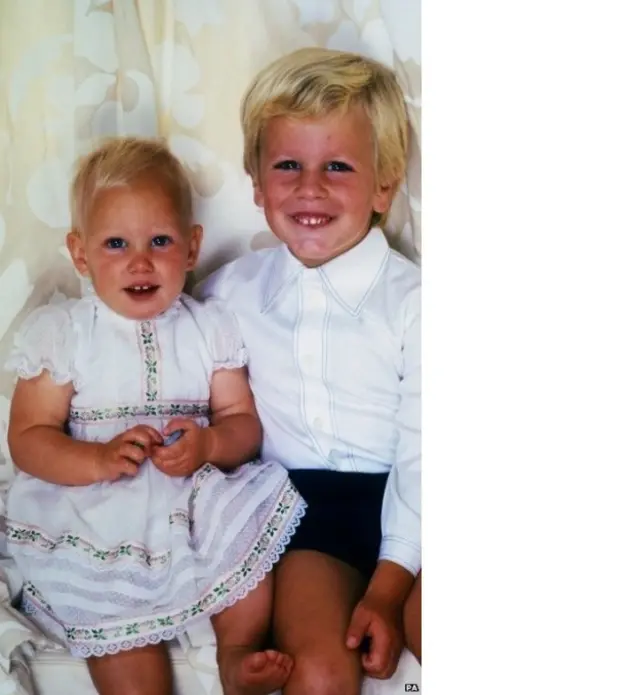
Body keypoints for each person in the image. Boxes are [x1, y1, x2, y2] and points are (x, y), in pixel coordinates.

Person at [4, 137, 306, 695]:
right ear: (80, 254)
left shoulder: (209, 328)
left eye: (160, 240)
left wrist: (210, 445)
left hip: (192, 496)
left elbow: (242, 422)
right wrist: (96, 458)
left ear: (192, 248)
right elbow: (27, 437)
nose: (140, 261)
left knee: (246, 543)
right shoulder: (66, 334)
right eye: (115, 243)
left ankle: (235, 653)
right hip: (98, 509)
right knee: (111, 615)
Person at [197, 47, 421, 695]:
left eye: (338, 166)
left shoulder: (416, 303)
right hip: (305, 515)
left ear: (385, 184)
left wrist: (390, 583)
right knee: (320, 669)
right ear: (257, 183)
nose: (310, 187)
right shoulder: (226, 295)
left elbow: (426, 449)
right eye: (287, 165)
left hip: (420, 496)